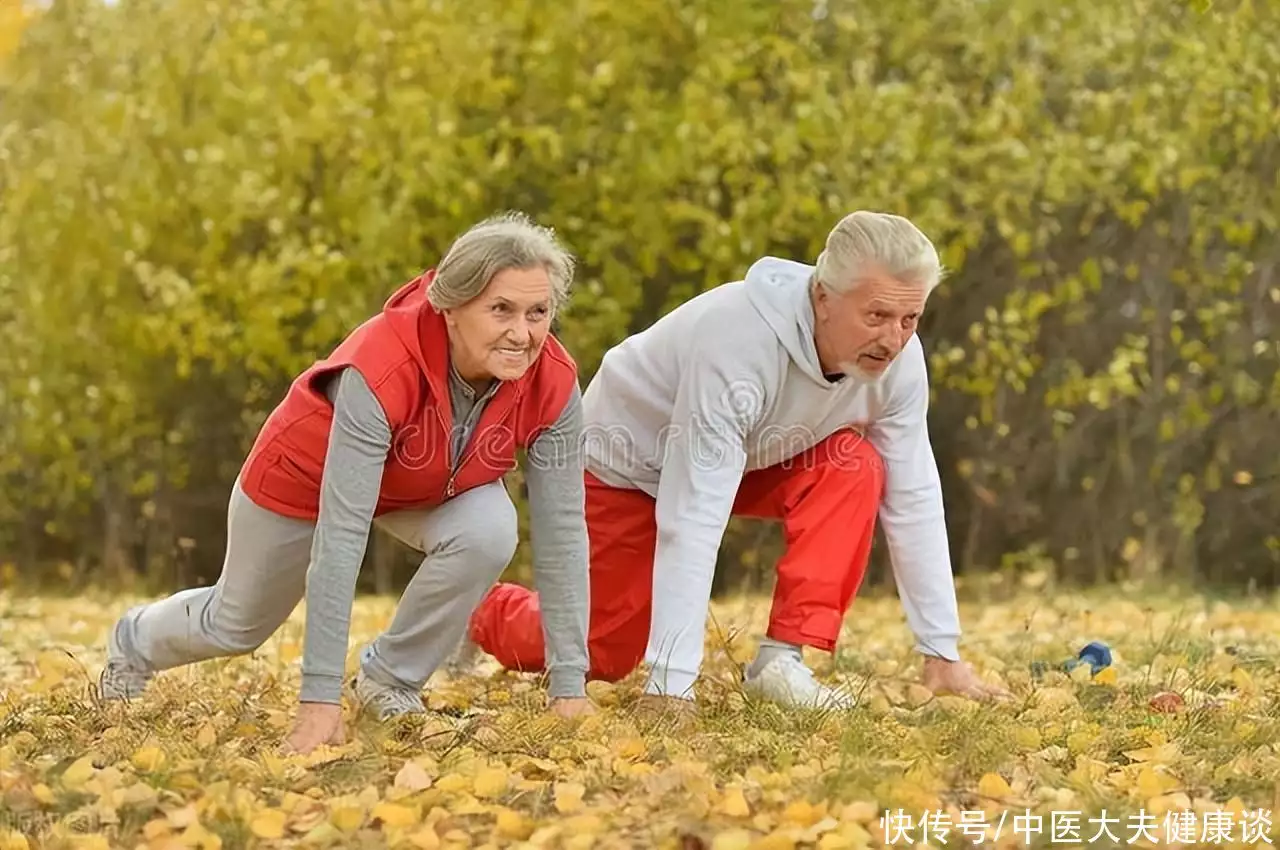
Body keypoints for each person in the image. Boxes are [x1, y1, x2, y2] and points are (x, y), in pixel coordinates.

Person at [464, 210, 1012, 713]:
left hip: (756, 456)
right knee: (602, 654)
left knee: (855, 465)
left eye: (909, 318)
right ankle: (474, 610)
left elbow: (913, 494)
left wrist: (942, 653)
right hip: (625, 468)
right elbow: (694, 511)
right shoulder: (738, 341)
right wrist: (670, 684)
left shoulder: (899, 362)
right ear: (823, 297)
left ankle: (781, 661)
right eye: (876, 315)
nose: (893, 339)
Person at [98, 212, 595, 753]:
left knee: (491, 528)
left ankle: (390, 679)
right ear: (451, 308)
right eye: (501, 309)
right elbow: (341, 539)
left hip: (419, 484)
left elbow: (564, 533)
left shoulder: (551, 381)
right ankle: (135, 640)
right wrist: (318, 702)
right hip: (302, 482)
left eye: (538, 312)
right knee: (235, 626)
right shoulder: (381, 367)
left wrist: (568, 684)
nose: (522, 333)